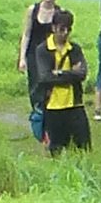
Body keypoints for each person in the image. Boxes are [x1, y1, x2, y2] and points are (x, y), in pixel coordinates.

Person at [20, 0, 70, 144]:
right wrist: (22, 58)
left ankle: (50, 123)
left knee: (50, 87)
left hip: (51, 54)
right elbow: (26, 34)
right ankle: (38, 121)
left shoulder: (59, 12)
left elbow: (63, 36)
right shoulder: (32, 10)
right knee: (35, 87)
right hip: (34, 54)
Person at [34, 18, 93, 156]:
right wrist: (72, 74)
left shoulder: (75, 49)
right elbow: (44, 78)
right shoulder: (43, 50)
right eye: (62, 29)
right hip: (53, 106)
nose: (65, 33)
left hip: (75, 104)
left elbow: (82, 74)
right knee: (57, 149)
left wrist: (59, 73)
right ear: (53, 28)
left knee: (83, 146)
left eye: (68, 29)